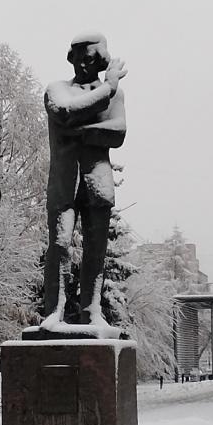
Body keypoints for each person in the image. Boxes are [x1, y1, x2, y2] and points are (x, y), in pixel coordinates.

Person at [40, 33, 128, 329]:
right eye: (77, 57)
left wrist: (78, 132)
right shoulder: (57, 89)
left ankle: (92, 311)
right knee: (60, 243)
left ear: (100, 60)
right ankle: (55, 312)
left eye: (89, 58)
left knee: (95, 250)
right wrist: (110, 86)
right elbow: (65, 112)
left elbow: (117, 133)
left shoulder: (115, 96)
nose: (81, 63)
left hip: (97, 182)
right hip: (64, 182)